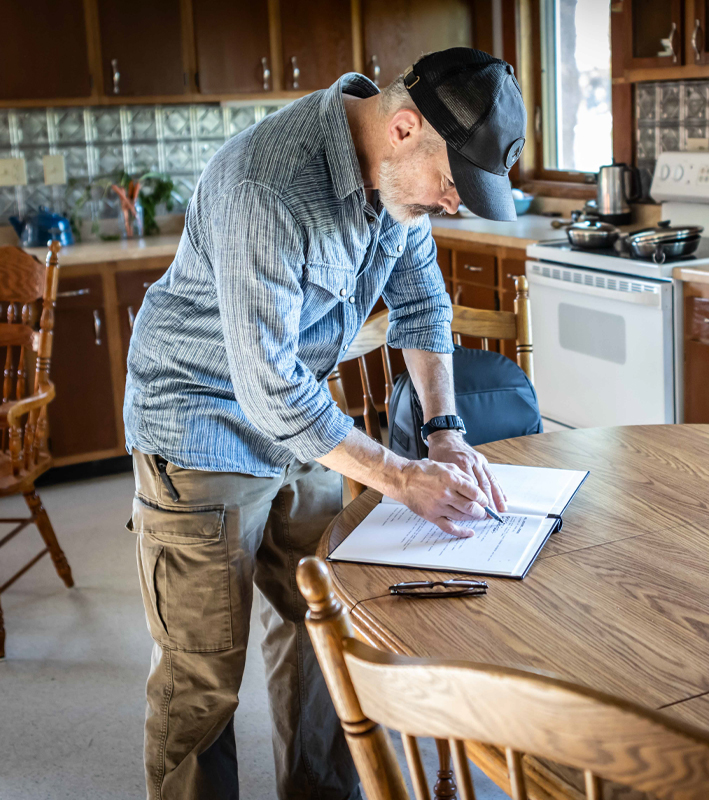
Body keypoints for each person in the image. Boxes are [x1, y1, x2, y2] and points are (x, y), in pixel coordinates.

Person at [122, 48, 526, 799]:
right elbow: (267, 384)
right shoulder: (266, 187)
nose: (451, 204)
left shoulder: (396, 183)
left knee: (318, 627)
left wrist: (444, 430)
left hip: (302, 422)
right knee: (201, 676)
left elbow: (421, 304)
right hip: (199, 422)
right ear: (404, 128)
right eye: (452, 185)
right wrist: (399, 476)